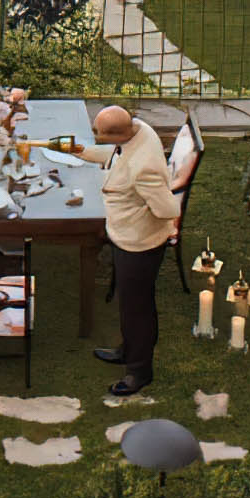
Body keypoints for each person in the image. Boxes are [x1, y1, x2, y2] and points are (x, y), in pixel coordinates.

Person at [85, 104, 182, 397]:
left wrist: (139, 212)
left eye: (98, 134)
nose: (96, 137)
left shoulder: (144, 168)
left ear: (117, 133)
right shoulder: (138, 129)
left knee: (137, 309)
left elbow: (168, 208)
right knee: (129, 304)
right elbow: (117, 158)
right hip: (125, 237)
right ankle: (127, 350)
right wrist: (79, 152)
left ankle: (139, 372)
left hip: (139, 245)